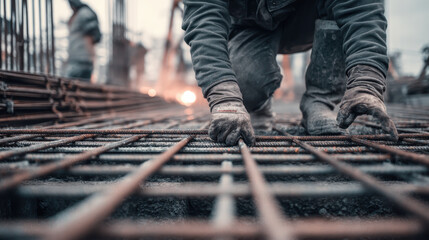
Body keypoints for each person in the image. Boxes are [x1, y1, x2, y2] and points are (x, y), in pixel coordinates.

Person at [182, 0, 398, 146]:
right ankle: (258, 104)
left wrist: (367, 82)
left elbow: (362, 9)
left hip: (311, 15)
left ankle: (322, 100)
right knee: (243, 87)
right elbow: (203, 17)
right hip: (250, 23)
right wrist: (225, 97)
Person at [64, 0, 102, 81]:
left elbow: (95, 37)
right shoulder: (79, 14)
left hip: (83, 62)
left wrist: (93, 63)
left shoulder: (85, 14)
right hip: (76, 61)